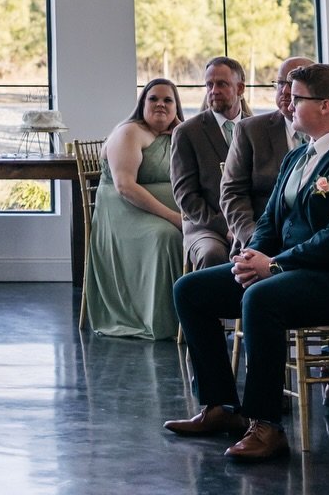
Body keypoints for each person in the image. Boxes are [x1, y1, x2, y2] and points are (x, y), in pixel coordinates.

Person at [166, 62, 329, 463]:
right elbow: (270, 219)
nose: (287, 99)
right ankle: (221, 406)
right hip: (287, 269)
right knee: (192, 290)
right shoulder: (298, 157)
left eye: (296, 95)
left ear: (324, 105)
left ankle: (266, 425)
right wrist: (251, 256)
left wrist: (276, 266)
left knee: (261, 298)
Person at [83, 78, 185, 341]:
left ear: (176, 107)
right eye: (154, 99)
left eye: (167, 100)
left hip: (163, 212)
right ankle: (165, 321)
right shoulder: (130, 133)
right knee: (167, 236)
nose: (160, 104)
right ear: (142, 104)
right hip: (124, 212)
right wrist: (175, 218)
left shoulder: (178, 134)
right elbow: (125, 186)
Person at [220, 55, 313, 249]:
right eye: (280, 83)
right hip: (262, 240)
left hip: (317, 244)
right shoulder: (251, 130)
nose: (285, 91)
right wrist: (254, 238)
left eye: (293, 83)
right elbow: (232, 193)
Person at [171, 58, 251, 269]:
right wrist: (225, 226)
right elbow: (186, 196)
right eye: (209, 85)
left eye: (221, 84)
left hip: (251, 222)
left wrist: (245, 227)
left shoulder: (257, 128)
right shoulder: (188, 132)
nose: (213, 90)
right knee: (212, 254)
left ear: (240, 88)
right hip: (205, 225)